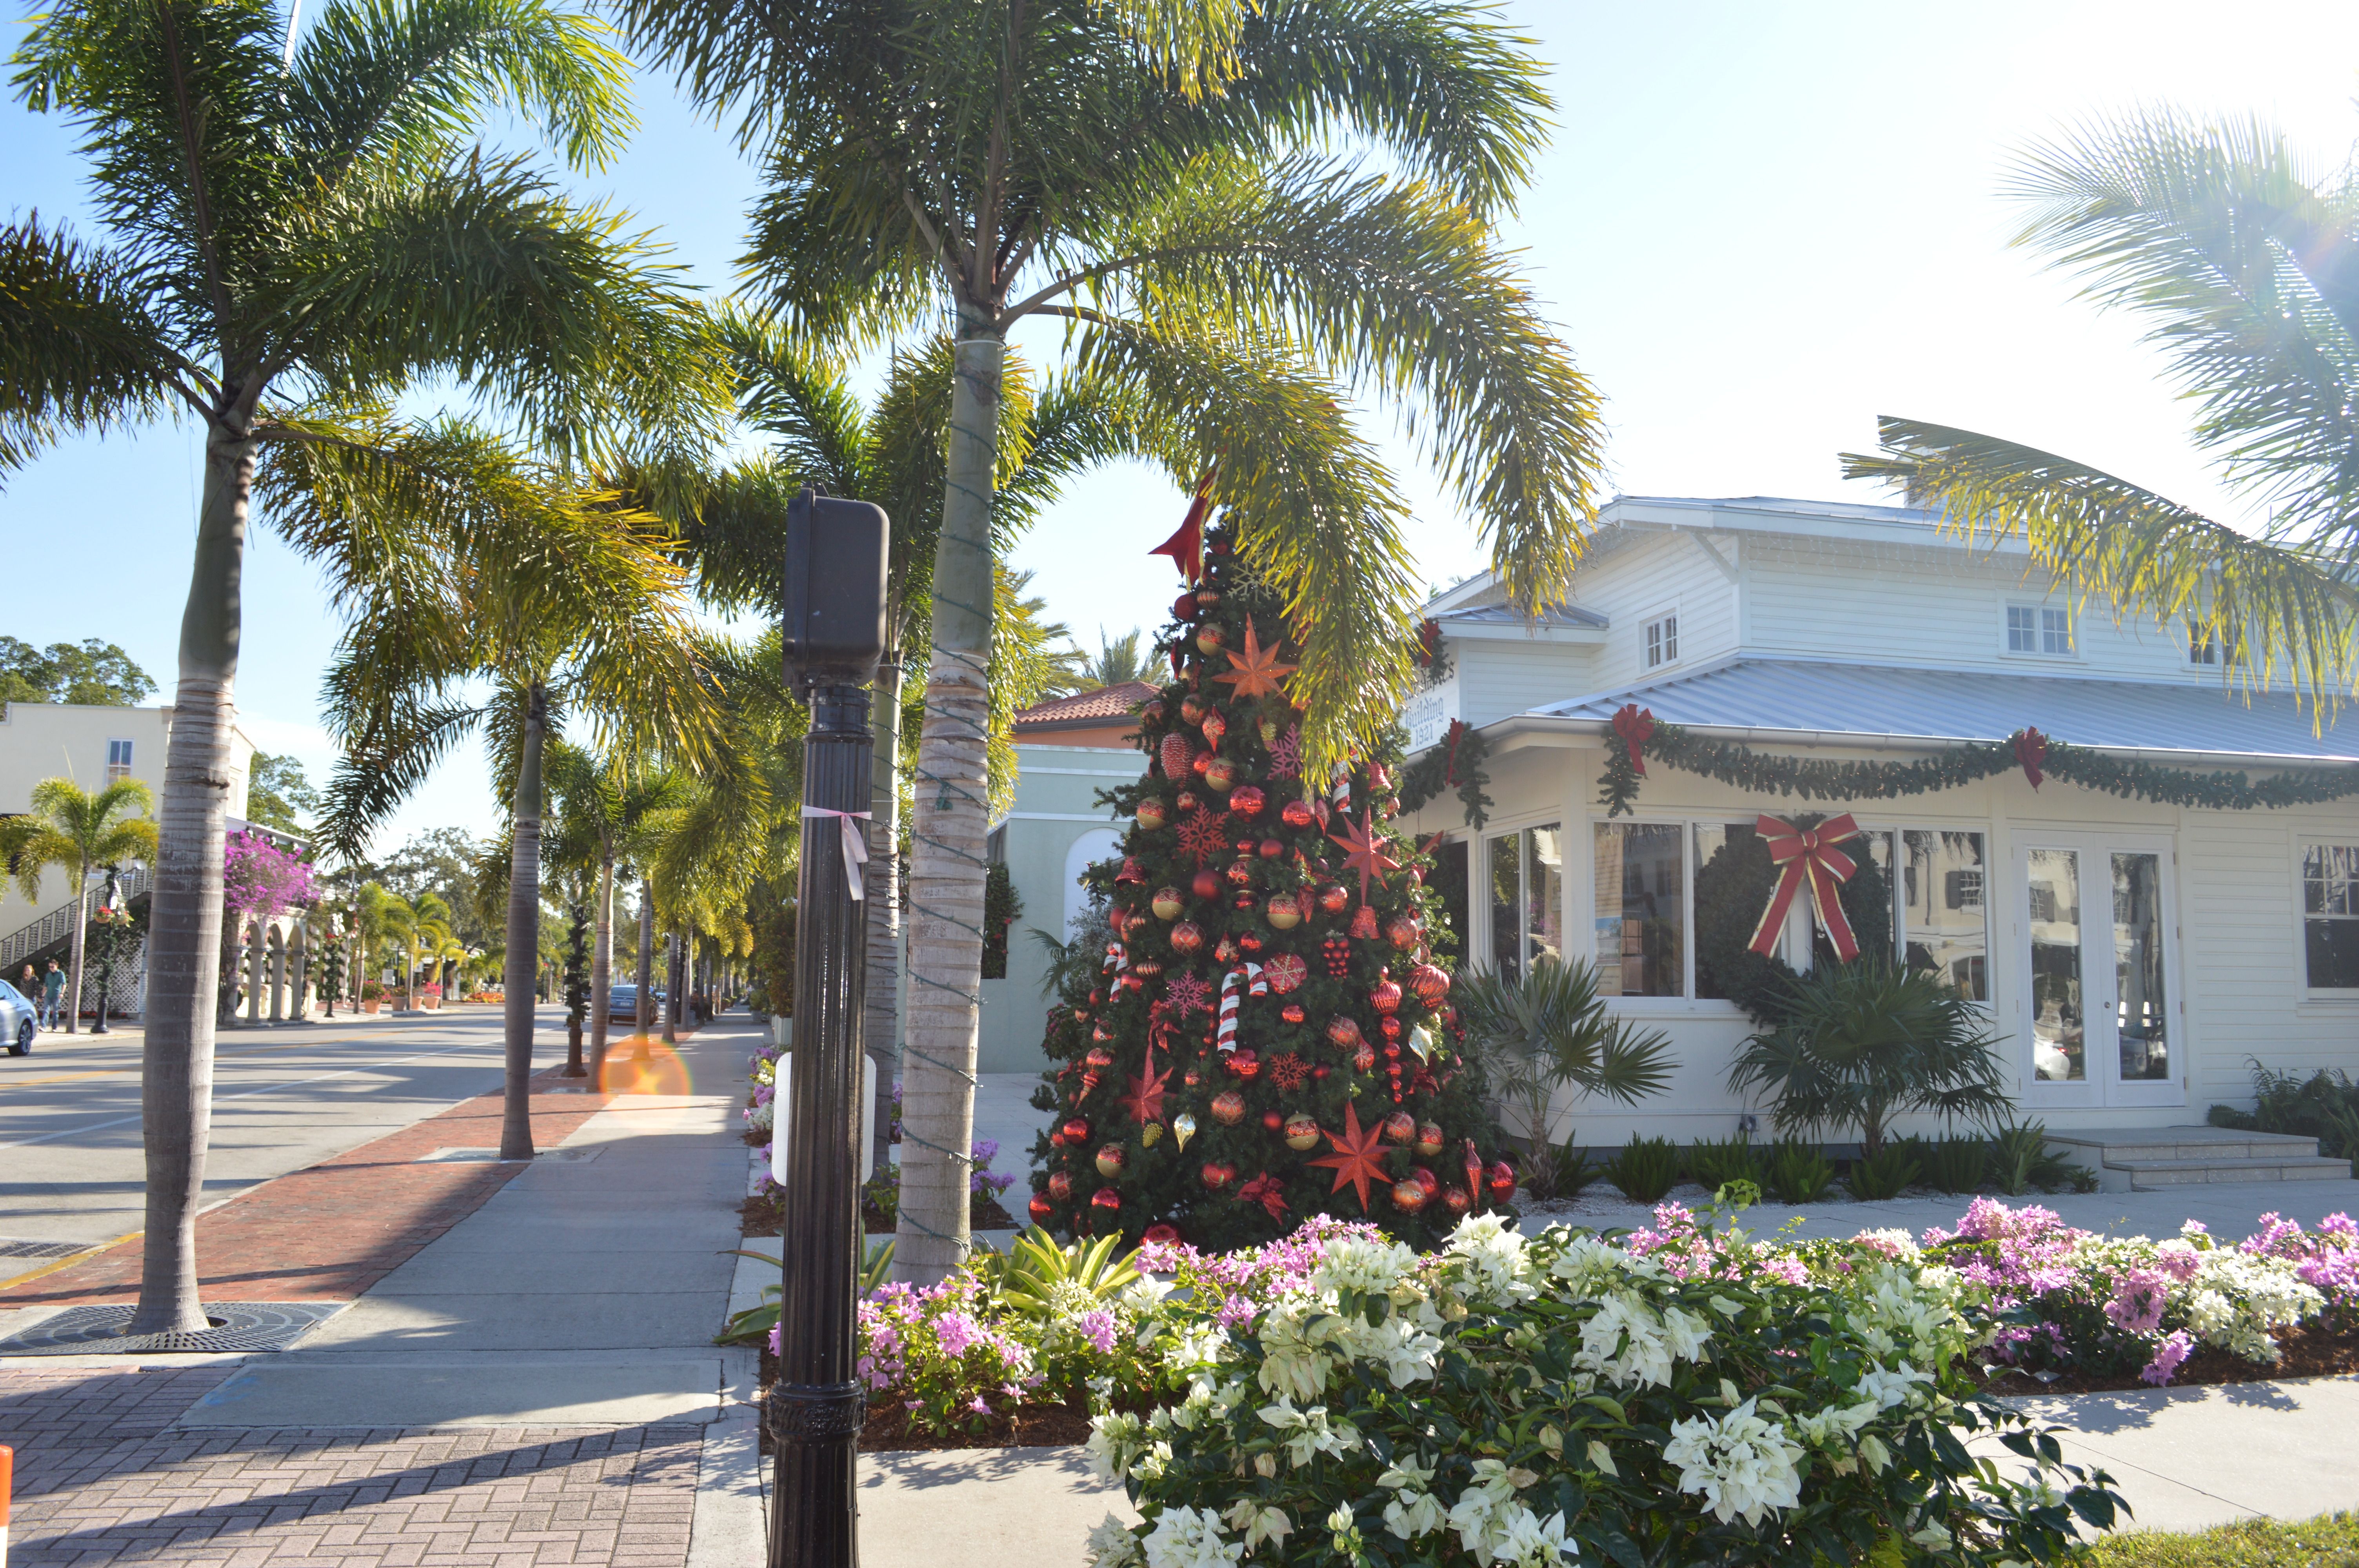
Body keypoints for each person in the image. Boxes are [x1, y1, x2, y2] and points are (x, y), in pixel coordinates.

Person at [40, 958, 66, 1031]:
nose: (51, 969)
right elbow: (46, 986)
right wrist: (42, 995)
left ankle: (54, 1027)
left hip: (57, 995)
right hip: (49, 995)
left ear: (57, 966)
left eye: (53, 967)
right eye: (50, 967)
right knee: (46, 1010)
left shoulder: (61, 974)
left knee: (55, 1012)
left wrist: (62, 993)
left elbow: (64, 984)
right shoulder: (48, 975)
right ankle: (44, 1026)